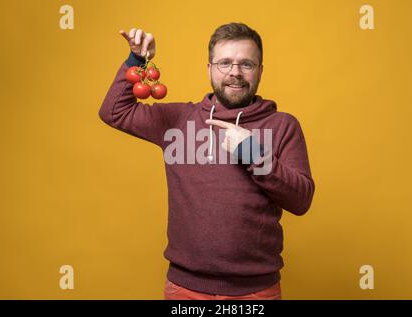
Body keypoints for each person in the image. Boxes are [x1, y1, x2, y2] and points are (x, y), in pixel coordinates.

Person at [99, 22, 315, 300]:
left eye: (246, 64)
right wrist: (137, 60)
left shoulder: (283, 125)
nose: (234, 72)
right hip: (185, 290)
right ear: (209, 68)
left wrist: (253, 154)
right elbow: (114, 112)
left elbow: (301, 200)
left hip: (256, 292)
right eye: (224, 63)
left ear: (260, 71)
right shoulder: (178, 120)